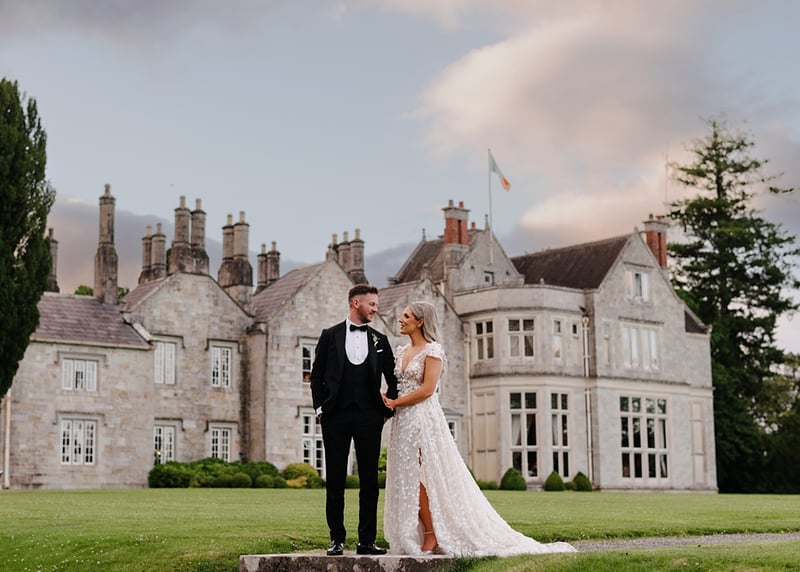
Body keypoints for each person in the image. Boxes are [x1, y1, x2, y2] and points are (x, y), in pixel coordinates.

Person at [381, 301, 577, 557]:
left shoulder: (433, 350)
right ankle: (418, 531)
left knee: (420, 475)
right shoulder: (401, 351)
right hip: (402, 421)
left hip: (422, 419)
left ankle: (432, 532)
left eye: (406, 316)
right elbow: (397, 387)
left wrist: (395, 403)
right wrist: (387, 402)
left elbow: (428, 390)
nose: (401, 319)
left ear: (420, 322)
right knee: (404, 476)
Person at [310, 284, 399, 556]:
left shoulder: (380, 340)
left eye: (376, 305)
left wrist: (387, 410)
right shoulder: (330, 336)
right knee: (335, 480)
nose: (375, 309)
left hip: (370, 417)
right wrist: (320, 409)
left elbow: (393, 379)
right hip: (335, 416)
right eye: (372, 304)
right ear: (355, 303)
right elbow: (316, 376)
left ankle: (366, 542)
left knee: (369, 482)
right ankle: (336, 539)